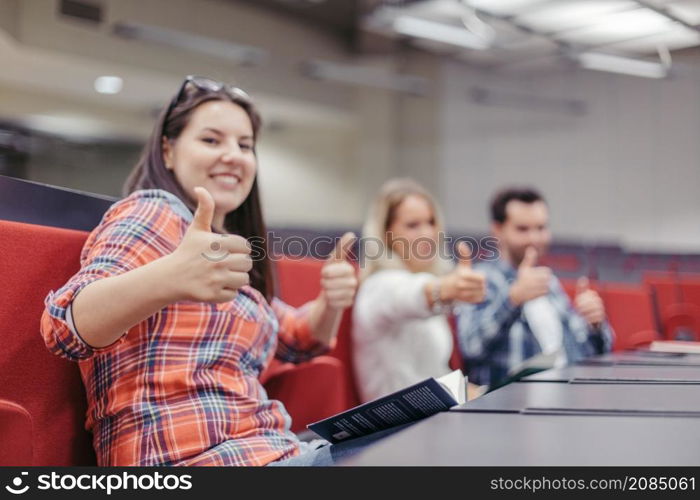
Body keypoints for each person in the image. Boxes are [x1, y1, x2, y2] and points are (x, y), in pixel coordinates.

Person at [40, 76, 359, 466]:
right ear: (168, 151)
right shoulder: (154, 212)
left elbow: (297, 340)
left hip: (272, 451)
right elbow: (64, 328)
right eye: (211, 140)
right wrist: (170, 279)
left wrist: (330, 301)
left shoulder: (218, 250)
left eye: (245, 145)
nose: (233, 155)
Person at [456, 187, 613, 388]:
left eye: (540, 228)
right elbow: (471, 347)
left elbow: (586, 352)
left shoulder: (549, 282)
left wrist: (595, 325)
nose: (534, 239)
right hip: (508, 405)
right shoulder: (480, 279)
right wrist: (512, 300)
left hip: (565, 396)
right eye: (523, 229)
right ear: (497, 231)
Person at [352, 178, 487, 403]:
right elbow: (406, 295)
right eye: (413, 225)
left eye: (431, 222)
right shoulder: (379, 286)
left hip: (435, 417)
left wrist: (475, 393)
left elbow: (434, 375)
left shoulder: (424, 281)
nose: (427, 233)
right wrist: (444, 289)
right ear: (386, 234)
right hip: (396, 430)